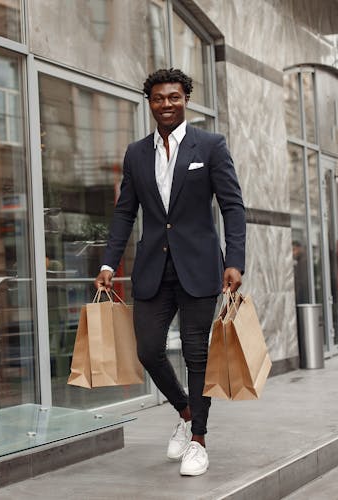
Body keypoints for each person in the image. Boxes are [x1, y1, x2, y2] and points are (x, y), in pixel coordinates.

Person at [94, 68, 246, 476]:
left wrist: (235, 260)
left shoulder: (210, 146)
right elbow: (126, 212)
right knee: (147, 349)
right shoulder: (136, 153)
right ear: (150, 103)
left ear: (186, 100)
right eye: (159, 98)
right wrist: (109, 262)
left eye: (174, 97)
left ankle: (198, 440)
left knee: (197, 353)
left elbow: (232, 206)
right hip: (153, 268)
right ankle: (185, 409)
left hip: (199, 266)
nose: (167, 104)